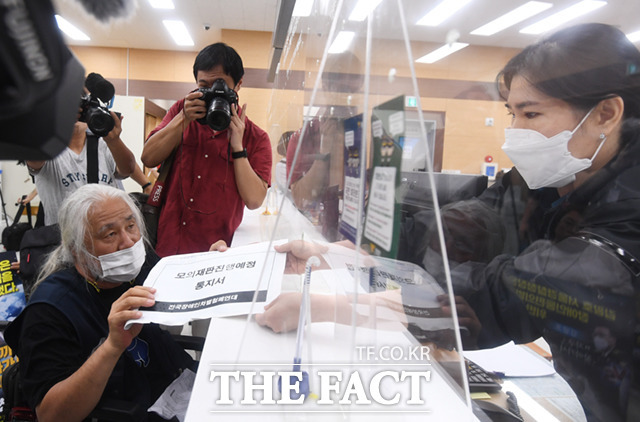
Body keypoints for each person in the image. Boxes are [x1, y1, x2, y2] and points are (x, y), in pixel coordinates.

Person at [257, 23, 640, 421]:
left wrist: (325, 306)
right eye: (512, 113)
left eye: (531, 113)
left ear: (606, 114)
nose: (514, 132)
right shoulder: (556, 179)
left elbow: (503, 294)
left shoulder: (628, 213)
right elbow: (467, 223)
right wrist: (343, 254)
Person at [4, 184, 195, 422]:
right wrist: (112, 346)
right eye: (110, 234)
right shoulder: (49, 310)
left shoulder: (138, 263)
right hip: (133, 410)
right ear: (77, 250)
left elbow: (182, 287)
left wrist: (214, 265)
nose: (128, 242)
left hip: (178, 382)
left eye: (130, 226)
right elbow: (51, 415)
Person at [141, 42, 272, 257]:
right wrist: (183, 119)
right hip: (167, 246)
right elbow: (148, 157)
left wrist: (238, 147)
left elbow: (255, 200)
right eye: (204, 85)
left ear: (238, 85)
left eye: (220, 86)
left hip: (215, 255)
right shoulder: (180, 111)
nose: (212, 93)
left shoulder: (256, 138)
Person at [26, 74, 136, 226]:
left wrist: (114, 140)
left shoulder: (103, 143)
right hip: (65, 242)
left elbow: (127, 170)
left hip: (106, 237)